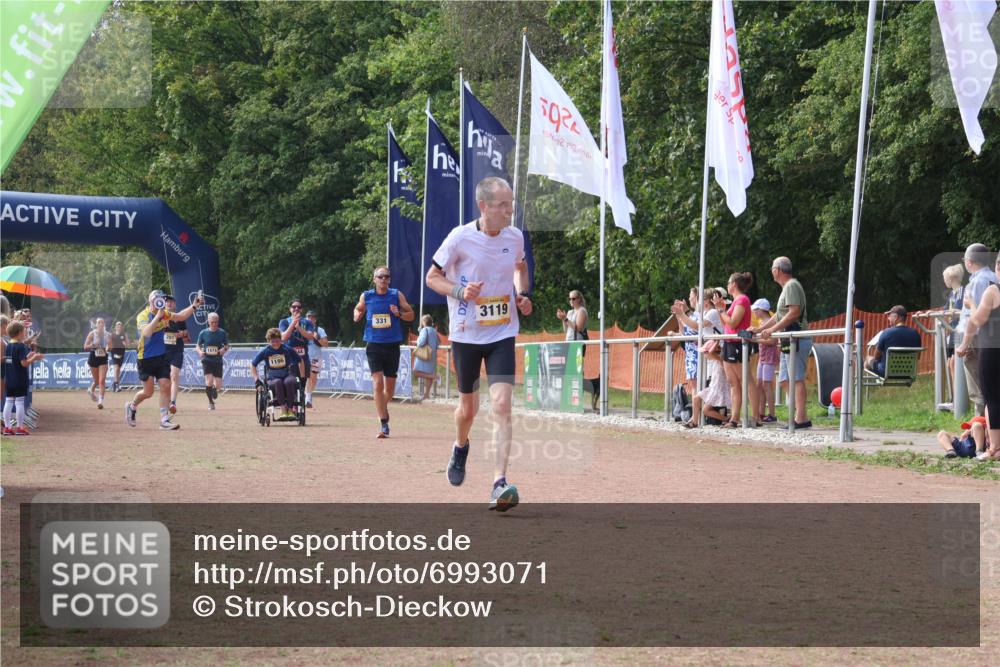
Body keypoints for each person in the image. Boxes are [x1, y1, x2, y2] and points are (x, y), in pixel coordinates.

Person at [426, 176, 531, 511]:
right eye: (502, 205)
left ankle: (499, 483)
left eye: (511, 204)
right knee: (467, 410)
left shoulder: (514, 237)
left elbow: (520, 267)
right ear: (483, 206)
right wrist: (459, 291)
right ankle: (460, 446)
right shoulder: (460, 237)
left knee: (501, 406)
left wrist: (522, 294)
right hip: (466, 333)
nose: (509, 210)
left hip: (502, 333)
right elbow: (432, 277)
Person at [125, 290, 203, 430]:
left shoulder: (164, 313)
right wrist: (158, 317)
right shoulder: (143, 315)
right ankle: (132, 406)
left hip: (161, 356)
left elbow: (180, 316)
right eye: (158, 299)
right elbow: (146, 332)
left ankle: (164, 420)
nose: (161, 301)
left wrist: (194, 306)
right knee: (148, 393)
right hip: (145, 358)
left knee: (165, 386)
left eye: (162, 299)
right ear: (151, 300)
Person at [354, 267, 415, 438]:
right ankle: (384, 423)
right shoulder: (367, 296)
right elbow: (358, 309)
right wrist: (356, 315)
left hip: (392, 345)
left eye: (386, 277)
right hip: (374, 345)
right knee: (377, 384)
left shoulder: (396, 295)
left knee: (390, 391)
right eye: (380, 277)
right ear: (374, 279)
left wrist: (400, 314)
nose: (383, 279)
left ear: (389, 280)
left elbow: (411, 314)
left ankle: (381, 407)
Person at [756, 256, 812, 429]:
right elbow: (779, 315)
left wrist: (772, 330)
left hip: (797, 338)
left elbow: (794, 313)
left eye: (772, 267)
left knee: (796, 379)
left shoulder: (792, 286)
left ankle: (801, 418)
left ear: (778, 270)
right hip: (788, 339)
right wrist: (759, 329)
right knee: (784, 380)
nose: (771, 271)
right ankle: (799, 413)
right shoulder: (787, 287)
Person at [957, 251, 1000, 461]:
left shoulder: (992, 289)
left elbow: (978, 319)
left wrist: (971, 304)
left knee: (990, 397)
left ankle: (993, 448)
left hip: (991, 347)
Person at [713, 272, 754, 428]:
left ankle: (752, 417)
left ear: (734, 284)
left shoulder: (742, 299)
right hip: (729, 343)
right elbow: (727, 325)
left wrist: (722, 311)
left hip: (737, 344)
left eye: (728, 282)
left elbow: (734, 323)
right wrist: (720, 309)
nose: (727, 284)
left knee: (744, 381)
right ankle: (734, 418)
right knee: (733, 383)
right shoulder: (736, 301)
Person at [251, 327, 305, 418]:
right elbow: (253, 365)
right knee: (278, 382)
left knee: (290, 381)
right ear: (269, 341)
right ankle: (283, 410)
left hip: (286, 375)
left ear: (280, 339)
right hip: (272, 378)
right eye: (273, 341)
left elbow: (300, 361)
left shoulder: (287, 349)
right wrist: (257, 380)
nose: (275, 344)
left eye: (277, 341)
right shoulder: (265, 351)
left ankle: (291, 410)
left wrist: (302, 377)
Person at [2, 321, 44, 435]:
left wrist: (28, 355)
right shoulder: (21, 346)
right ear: (19, 333)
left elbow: (16, 359)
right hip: (19, 378)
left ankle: (7, 427)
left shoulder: (8, 345)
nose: (25, 333)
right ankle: (20, 427)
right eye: (24, 331)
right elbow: (24, 364)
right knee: (20, 402)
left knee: (9, 401)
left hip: (9, 378)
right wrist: (34, 357)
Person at [865, 305, 922, 377]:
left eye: (889, 316)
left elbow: (876, 357)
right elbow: (918, 357)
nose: (888, 318)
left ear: (896, 317)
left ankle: (869, 383)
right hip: (907, 373)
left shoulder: (886, 332)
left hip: (886, 372)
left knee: (868, 358)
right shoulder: (915, 334)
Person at [752, 298, 779, 423]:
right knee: (759, 385)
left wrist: (755, 340)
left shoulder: (770, 323)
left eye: (755, 310)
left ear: (761, 310)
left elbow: (773, 341)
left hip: (769, 357)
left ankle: (772, 414)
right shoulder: (762, 323)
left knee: (767, 385)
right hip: (762, 358)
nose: (754, 312)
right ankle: (761, 412)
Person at [196, 312, 229, 411]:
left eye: (216, 322)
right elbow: (197, 346)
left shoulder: (222, 333)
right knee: (209, 381)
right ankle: (211, 403)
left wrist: (223, 349)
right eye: (212, 322)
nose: (214, 324)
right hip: (207, 360)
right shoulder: (203, 333)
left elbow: (227, 345)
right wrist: (200, 351)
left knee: (218, 386)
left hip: (217, 361)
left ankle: (214, 390)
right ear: (208, 322)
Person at [279, 299, 315, 389]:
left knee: (302, 383)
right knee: (290, 381)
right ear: (290, 309)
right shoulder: (284, 322)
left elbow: (310, 336)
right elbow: (283, 337)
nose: (296, 308)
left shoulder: (308, 322)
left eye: (298, 307)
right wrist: (293, 323)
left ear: (301, 310)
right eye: (294, 307)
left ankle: (302, 399)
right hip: (288, 357)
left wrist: (298, 327)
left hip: (303, 356)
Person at [163, 295, 190, 415]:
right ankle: (167, 401)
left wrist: (181, 334)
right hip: (163, 352)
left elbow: (186, 332)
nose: (169, 304)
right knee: (166, 380)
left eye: (171, 302)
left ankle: (173, 402)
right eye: (167, 302)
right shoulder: (160, 318)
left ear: (175, 304)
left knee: (174, 375)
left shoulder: (180, 318)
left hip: (177, 351)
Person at [412, 314, 441, 402]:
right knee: (429, 373)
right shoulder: (434, 330)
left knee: (416, 372)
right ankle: (426, 394)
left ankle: (435, 376)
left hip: (424, 353)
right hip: (433, 353)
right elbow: (439, 342)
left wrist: (418, 340)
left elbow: (421, 342)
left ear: (423, 322)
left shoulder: (424, 330)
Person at [83, 318, 110, 409]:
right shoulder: (92, 334)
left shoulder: (107, 335)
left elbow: (110, 346)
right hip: (93, 357)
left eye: (102, 322)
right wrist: (93, 345)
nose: (100, 324)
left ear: (104, 324)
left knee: (102, 381)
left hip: (103, 358)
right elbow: (85, 347)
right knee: (96, 380)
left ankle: (100, 401)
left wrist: (108, 348)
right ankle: (91, 390)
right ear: (96, 325)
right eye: (99, 322)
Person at [304, 310, 328, 408]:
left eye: (312, 317)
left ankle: (308, 394)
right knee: (306, 377)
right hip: (304, 357)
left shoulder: (320, 330)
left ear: (315, 319)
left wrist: (317, 337)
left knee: (313, 378)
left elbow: (326, 344)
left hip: (316, 357)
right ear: (305, 318)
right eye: (309, 317)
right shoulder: (302, 329)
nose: (310, 319)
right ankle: (307, 398)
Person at [108, 321, 131, 392]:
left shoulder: (124, 335)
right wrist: (108, 347)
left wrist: (125, 342)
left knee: (118, 369)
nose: (119, 327)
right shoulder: (112, 335)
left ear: (122, 328)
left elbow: (128, 345)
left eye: (120, 326)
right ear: (115, 327)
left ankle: (115, 385)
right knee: (116, 368)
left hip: (121, 353)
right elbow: (109, 344)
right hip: (114, 352)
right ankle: (116, 385)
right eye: (118, 326)